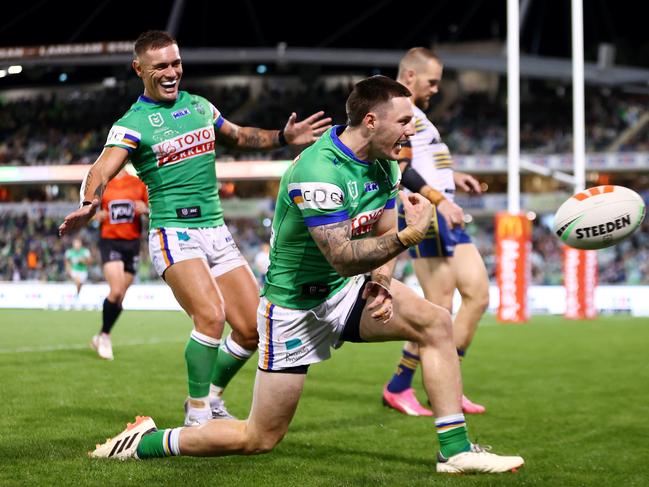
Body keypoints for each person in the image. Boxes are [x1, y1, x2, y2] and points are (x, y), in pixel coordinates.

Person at [89, 75, 523, 474]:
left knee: (435, 322)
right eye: (405, 121)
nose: (412, 130)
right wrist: (412, 236)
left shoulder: (385, 162)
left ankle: (455, 450)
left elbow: (385, 231)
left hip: (346, 293)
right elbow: (343, 255)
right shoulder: (317, 171)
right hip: (294, 310)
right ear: (371, 121)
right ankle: (146, 441)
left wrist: (384, 281)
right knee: (259, 438)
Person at [59, 30, 331, 425]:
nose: (171, 72)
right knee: (210, 317)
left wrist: (282, 137)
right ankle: (198, 416)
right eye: (160, 67)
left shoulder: (201, 106)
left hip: (216, 232)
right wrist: (89, 201)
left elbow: (237, 136)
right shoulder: (133, 123)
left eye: (176, 63)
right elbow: (102, 167)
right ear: (139, 69)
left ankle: (212, 399)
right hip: (174, 233)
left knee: (251, 328)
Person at [382, 47, 490, 417]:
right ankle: (401, 387)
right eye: (432, 81)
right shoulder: (399, 110)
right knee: (440, 308)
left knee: (477, 296)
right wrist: (441, 202)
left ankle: (447, 384)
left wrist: (455, 179)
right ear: (409, 76)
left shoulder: (419, 114)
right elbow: (400, 167)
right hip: (427, 213)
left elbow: (423, 163)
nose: (436, 89)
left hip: (446, 212)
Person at [90, 169, 149, 361]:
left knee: (120, 297)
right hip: (110, 241)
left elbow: (154, 209)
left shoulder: (138, 183)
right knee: (115, 291)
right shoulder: (103, 182)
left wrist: (146, 209)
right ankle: (106, 337)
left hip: (132, 244)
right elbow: (89, 211)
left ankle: (101, 334)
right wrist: (94, 217)